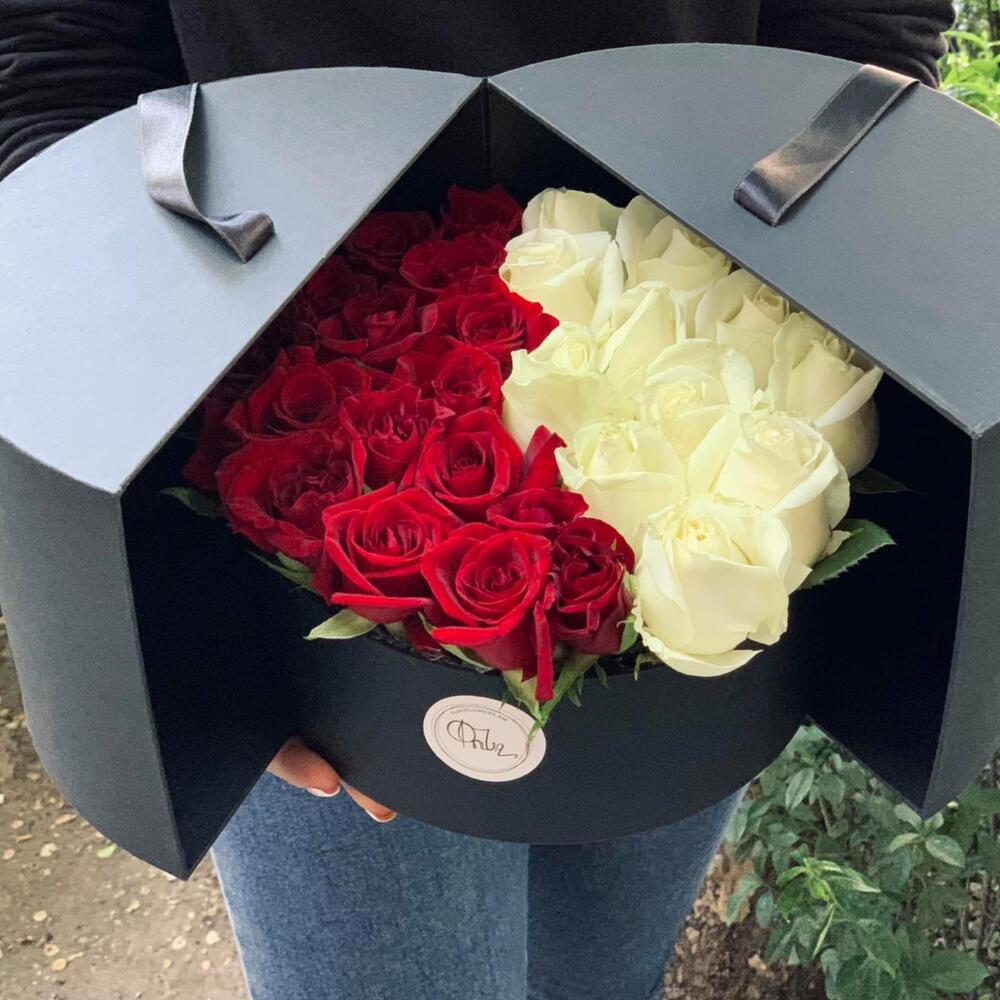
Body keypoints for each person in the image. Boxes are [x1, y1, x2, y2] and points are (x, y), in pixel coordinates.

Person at [0, 3, 953, 998]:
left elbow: (866, 33)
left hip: (712, 405)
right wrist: (178, 615)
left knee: (601, 978)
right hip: (297, 554)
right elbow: (62, 69)